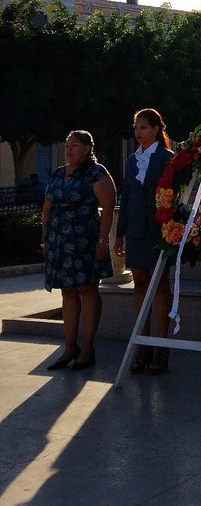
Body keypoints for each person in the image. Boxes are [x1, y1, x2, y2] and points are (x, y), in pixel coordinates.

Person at [42, 130, 116, 371]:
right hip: (59, 244)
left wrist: (103, 241)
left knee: (87, 289)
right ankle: (69, 347)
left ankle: (87, 348)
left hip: (85, 242)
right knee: (68, 292)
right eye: (66, 145)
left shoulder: (97, 173)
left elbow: (107, 206)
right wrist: (45, 237)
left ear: (87, 148)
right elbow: (47, 207)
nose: (68, 149)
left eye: (74, 145)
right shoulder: (57, 173)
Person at [114, 108, 174, 375]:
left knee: (160, 286)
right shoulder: (132, 160)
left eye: (144, 127)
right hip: (136, 231)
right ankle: (142, 344)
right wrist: (120, 233)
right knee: (139, 284)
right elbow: (126, 197)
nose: (138, 132)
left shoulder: (166, 157)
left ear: (155, 129)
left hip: (159, 232)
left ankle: (162, 346)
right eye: (136, 127)